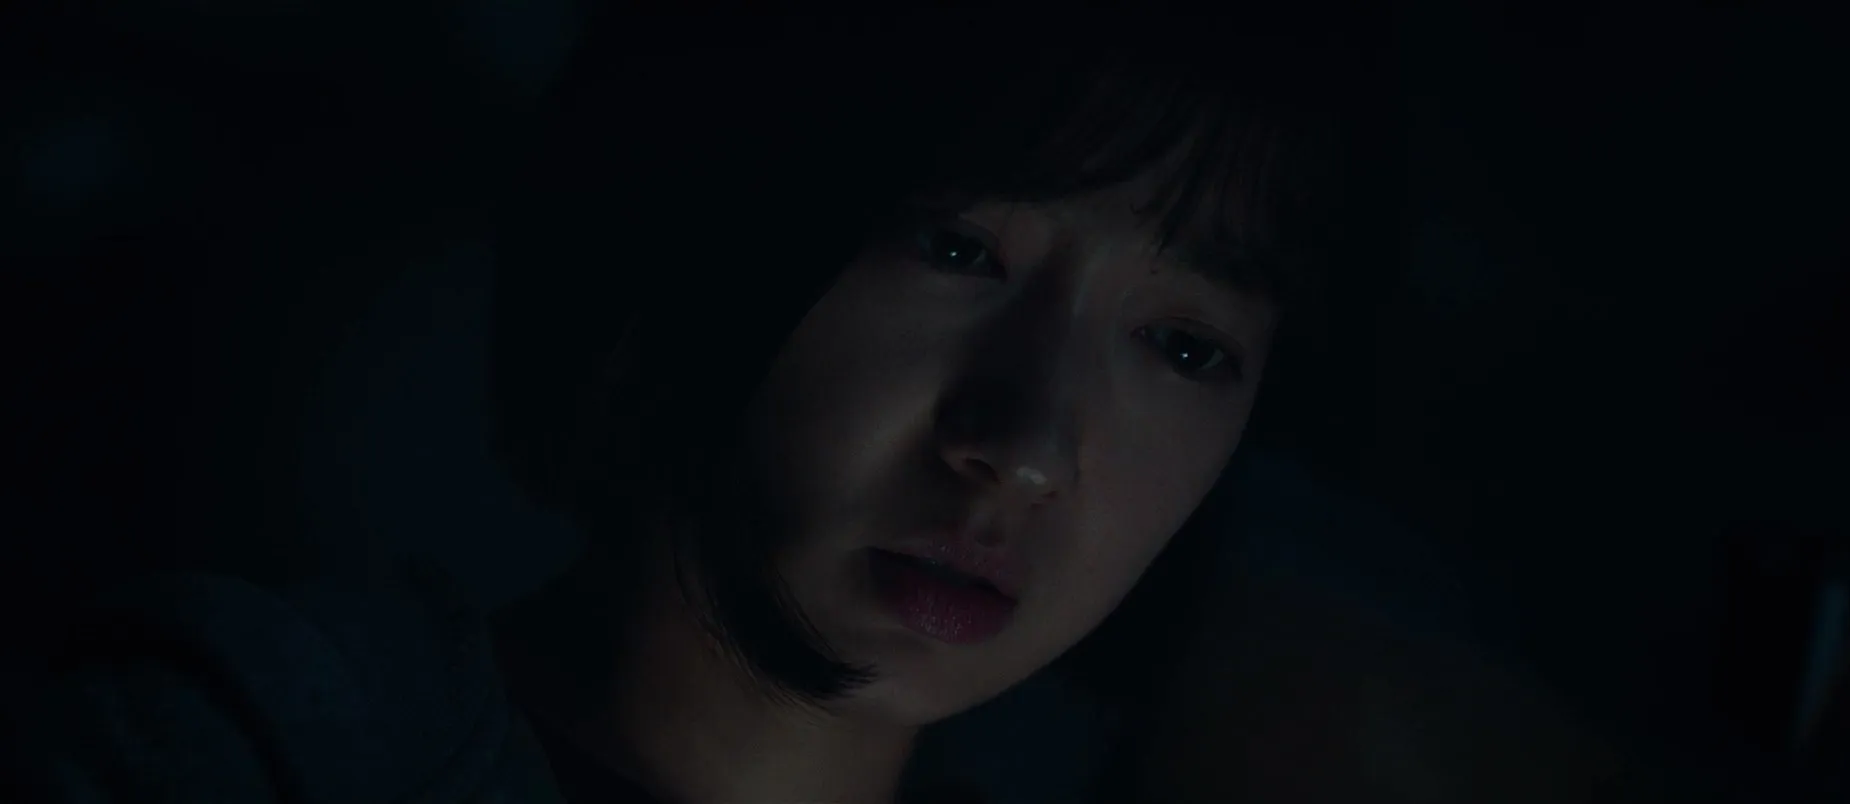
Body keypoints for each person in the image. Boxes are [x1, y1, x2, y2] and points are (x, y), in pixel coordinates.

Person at [7, 7, 1403, 803]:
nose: (1028, 449)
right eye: (958, 249)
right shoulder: (263, 747)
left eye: (1185, 347)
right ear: (703, 233)